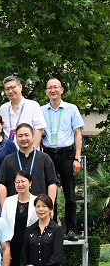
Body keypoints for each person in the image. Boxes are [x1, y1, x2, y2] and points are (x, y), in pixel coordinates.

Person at [40, 77, 84, 235]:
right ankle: (51, 228)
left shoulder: (71, 109)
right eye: (49, 88)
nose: (53, 90)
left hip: (67, 154)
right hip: (48, 154)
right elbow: (38, 133)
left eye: (55, 87)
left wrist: (77, 158)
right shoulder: (41, 110)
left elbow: (77, 134)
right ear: (46, 92)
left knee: (69, 194)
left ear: (61, 90)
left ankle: (71, 229)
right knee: (49, 194)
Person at [0, 124, 60, 206]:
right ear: (16, 138)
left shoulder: (44, 158)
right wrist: (4, 208)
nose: (23, 138)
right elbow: (2, 184)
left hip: (40, 207)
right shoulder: (8, 159)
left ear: (33, 136)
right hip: (14, 207)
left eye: (26, 135)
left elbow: (52, 183)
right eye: (20, 136)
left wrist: (50, 206)